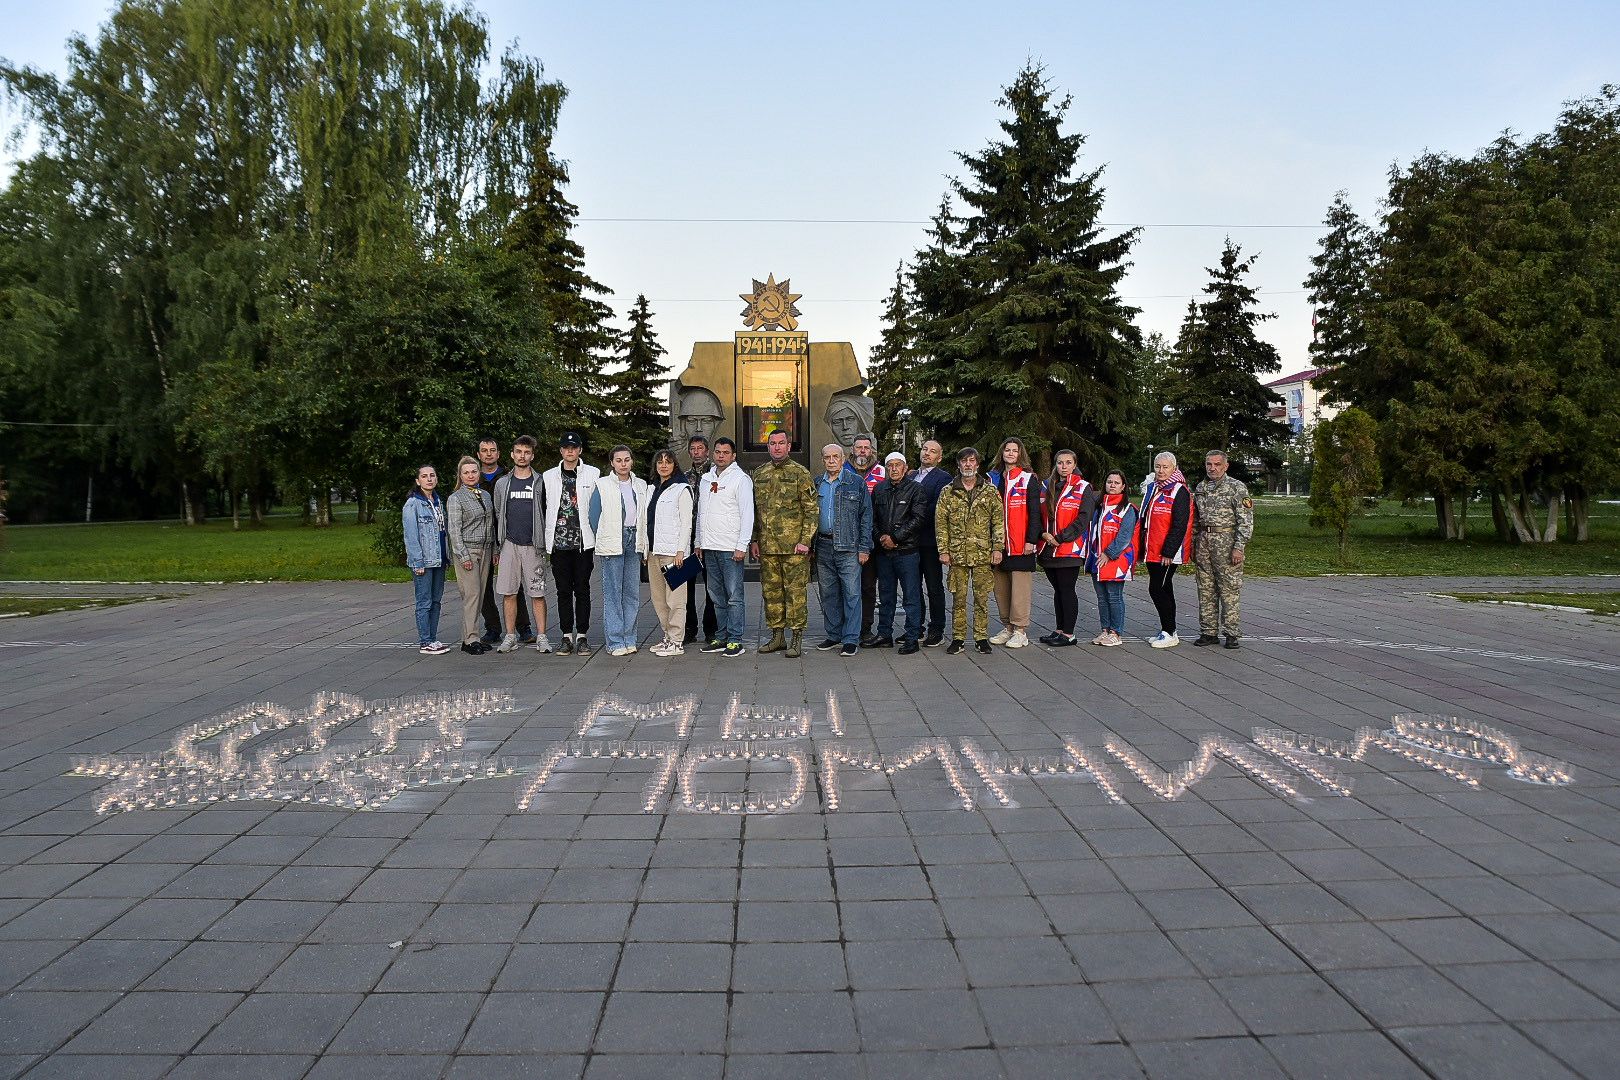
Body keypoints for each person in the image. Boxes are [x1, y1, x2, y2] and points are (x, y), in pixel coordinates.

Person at [750, 429, 818, 658]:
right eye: (772, 443)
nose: (777, 447)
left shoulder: (800, 473)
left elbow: (811, 510)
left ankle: (796, 638)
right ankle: (777, 636)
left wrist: (805, 541)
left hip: (794, 548)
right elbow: (755, 511)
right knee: (771, 593)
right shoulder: (759, 473)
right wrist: (754, 540)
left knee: (795, 593)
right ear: (767, 446)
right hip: (768, 547)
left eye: (781, 443)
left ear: (789, 446)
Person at [936, 447, 1005, 654]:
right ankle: (958, 637)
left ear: (977, 464)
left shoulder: (990, 491)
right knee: (958, 598)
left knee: (982, 597)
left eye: (972, 461)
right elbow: (941, 523)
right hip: (957, 553)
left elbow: (998, 521)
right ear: (958, 465)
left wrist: (998, 547)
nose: (968, 464)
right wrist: (943, 550)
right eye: (964, 461)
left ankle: (981, 637)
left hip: (983, 553)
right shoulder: (948, 492)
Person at [492, 435, 552, 654]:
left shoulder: (541, 482)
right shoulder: (502, 483)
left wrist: (545, 543)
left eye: (526, 452)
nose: (522, 456)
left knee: (537, 593)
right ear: (512, 454)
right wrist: (498, 545)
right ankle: (510, 637)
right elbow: (499, 513)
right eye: (518, 452)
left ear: (532, 455)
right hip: (509, 544)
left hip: (533, 545)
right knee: (509, 593)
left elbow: (546, 511)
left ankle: (542, 637)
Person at [588, 445, 650, 656]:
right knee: (613, 593)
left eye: (626, 459)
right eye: (618, 460)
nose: (623, 464)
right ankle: (615, 641)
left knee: (631, 593)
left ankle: (629, 638)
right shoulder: (602, 485)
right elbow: (593, 515)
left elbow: (644, 515)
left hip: (635, 539)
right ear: (612, 463)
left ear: (632, 461)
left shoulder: (641, 485)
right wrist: (605, 536)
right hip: (614, 539)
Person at [543, 432, 601, 656]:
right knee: (563, 591)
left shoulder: (593, 474)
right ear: (561, 451)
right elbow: (544, 507)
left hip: (583, 544)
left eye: (574, 447)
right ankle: (567, 635)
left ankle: (583, 636)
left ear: (580, 450)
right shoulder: (548, 477)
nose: (570, 451)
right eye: (566, 447)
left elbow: (598, 506)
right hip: (559, 544)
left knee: (583, 589)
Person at [695, 436, 754, 657]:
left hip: (730, 548)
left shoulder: (741, 479)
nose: (721, 456)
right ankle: (720, 636)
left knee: (733, 596)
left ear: (733, 455)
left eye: (725, 452)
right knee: (716, 595)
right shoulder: (706, 478)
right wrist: (699, 541)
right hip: (710, 547)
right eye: (718, 452)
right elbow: (702, 513)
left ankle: (735, 639)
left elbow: (747, 514)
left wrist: (742, 545)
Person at [813, 444, 873, 657]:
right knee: (828, 593)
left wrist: (864, 547)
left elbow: (866, 516)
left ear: (842, 459)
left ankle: (850, 638)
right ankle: (834, 634)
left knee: (851, 593)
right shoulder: (817, 483)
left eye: (835, 457)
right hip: (823, 545)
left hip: (849, 546)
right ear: (822, 460)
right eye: (827, 457)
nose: (831, 461)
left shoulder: (855, 482)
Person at [987, 436, 1044, 649]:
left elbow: (1035, 512)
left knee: (1019, 589)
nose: (1010, 453)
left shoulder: (1028, 479)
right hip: (999, 544)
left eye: (1015, 450)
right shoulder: (993, 479)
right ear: (1002, 453)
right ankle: (1007, 627)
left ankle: (1020, 629)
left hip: (1021, 543)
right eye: (1007, 450)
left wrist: (1032, 539)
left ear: (1020, 454)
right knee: (1000, 587)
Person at [1193, 450, 1254, 649]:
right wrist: (1194, 544)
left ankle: (1231, 633)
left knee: (1229, 589)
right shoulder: (1201, 487)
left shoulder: (1236, 487)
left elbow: (1245, 521)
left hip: (1227, 544)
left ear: (1225, 466)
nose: (1213, 468)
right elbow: (1195, 520)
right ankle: (1209, 631)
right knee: (1206, 588)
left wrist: (1239, 547)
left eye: (1217, 464)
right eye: (1209, 464)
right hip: (1204, 544)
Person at [1037, 449, 1098, 646]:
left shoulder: (1083, 487)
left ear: (1074, 464)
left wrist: (1062, 537)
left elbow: (1084, 518)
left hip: (1068, 548)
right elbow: (1039, 515)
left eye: (1068, 462)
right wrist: (1044, 534)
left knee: (1067, 589)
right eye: (1060, 463)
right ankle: (1059, 629)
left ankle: (1069, 633)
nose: (1064, 466)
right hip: (1048, 547)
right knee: (1058, 590)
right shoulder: (1047, 487)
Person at [870, 452, 926, 653]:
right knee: (886, 595)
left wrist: (895, 537)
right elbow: (872, 519)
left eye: (898, 465)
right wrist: (881, 538)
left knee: (911, 597)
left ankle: (912, 637)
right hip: (884, 552)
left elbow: (918, 519)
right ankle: (884, 634)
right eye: (890, 465)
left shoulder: (916, 490)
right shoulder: (879, 489)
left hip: (907, 552)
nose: (894, 469)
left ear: (905, 467)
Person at [476, 437, 529, 644]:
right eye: (484, 450)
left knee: (515, 585)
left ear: (499, 454)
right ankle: (493, 627)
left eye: (492, 450)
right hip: (482, 540)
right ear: (479, 455)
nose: (488, 454)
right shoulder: (473, 478)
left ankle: (523, 627)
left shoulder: (508, 478)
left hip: (507, 537)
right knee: (484, 585)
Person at [1139, 451, 1194, 648]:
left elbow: (1180, 524)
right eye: (1158, 467)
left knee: (1157, 588)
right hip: (1151, 548)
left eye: (1165, 467)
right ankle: (1168, 630)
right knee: (1164, 588)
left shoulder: (1179, 490)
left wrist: (1169, 552)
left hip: (1166, 552)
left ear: (1174, 468)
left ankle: (1169, 632)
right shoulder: (1154, 487)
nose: (1161, 471)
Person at [446, 456, 496, 655]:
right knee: (472, 595)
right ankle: (470, 639)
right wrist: (463, 556)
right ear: (460, 475)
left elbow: (491, 523)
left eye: (473, 471)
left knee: (480, 595)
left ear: (479, 473)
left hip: (486, 549)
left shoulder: (484, 495)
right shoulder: (456, 498)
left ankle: (471, 635)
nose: (470, 475)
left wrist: (496, 549)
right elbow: (454, 530)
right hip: (468, 550)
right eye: (466, 472)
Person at [646, 450, 694, 656]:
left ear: (675, 465)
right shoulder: (652, 489)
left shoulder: (682, 489)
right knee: (659, 600)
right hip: (654, 552)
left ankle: (676, 641)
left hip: (675, 554)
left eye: (668, 462)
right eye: (660, 462)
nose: (664, 465)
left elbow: (686, 524)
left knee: (676, 600)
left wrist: (681, 551)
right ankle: (667, 637)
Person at [1087, 470, 1138, 646]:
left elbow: (1125, 536)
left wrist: (1109, 553)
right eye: (1110, 482)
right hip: (1097, 559)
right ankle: (1105, 630)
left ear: (1123, 486)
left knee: (1114, 597)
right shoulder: (1099, 506)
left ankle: (1116, 633)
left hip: (1115, 560)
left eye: (1117, 483)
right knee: (1101, 598)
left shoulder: (1128, 509)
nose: (1112, 485)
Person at [403, 464, 450, 655]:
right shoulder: (413, 504)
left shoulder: (438, 501)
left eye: (432, 475)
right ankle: (425, 641)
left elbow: (443, 532)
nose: (429, 479)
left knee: (436, 601)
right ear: (418, 481)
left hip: (439, 559)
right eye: (424, 476)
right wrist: (417, 562)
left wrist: (446, 557)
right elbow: (411, 535)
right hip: (424, 561)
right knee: (424, 602)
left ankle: (433, 638)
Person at [911, 439, 953, 647]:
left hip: (930, 541)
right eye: (925, 449)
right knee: (912, 587)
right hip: (910, 543)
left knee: (934, 587)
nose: (927, 453)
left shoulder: (943, 478)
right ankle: (916, 627)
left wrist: (909, 521)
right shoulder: (911, 475)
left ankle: (936, 628)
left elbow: (936, 509)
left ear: (939, 457)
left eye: (933, 451)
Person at [847, 433, 886, 645]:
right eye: (859, 447)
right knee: (847, 587)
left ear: (871, 451)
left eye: (866, 447)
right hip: (846, 539)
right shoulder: (843, 470)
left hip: (872, 540)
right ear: (852, 449)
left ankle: (865, 628)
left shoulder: (881, 472)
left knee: (869, 587)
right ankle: (847, 627)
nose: (862, 451)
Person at [683, 435, 719, 646]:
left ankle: (711, 629)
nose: (696, 452)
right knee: (685, 586)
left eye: (700, 448)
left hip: (709, 538)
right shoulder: (683, 477)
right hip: (687, 540)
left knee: (711, 586)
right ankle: (689, 629)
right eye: (693, 449)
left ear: (707, 451)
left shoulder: (716, 475)